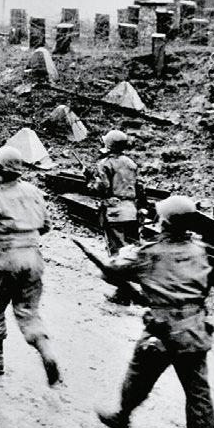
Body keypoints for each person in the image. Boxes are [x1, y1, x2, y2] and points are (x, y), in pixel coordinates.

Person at [95, 195, 214, 428]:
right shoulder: (199, 250)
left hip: (163, 331)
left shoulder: (150, 253)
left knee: (138, 375)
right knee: (198, 389)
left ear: (165, 222)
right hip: (195, 329)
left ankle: (122, 417)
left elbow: (111, 271)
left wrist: (127, 253)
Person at [0, 146, 61, 386]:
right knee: (29, 312)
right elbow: (46, 225)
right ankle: (46, 351)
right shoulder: (34, 191)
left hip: (5, 259)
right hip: (33, 258)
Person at [85, 129, 141, 304]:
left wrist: (89, 179)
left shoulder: (105, 163)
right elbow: (139, 187)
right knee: (131, 252)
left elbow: (101, 188)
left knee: (117, 254)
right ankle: (131, 290)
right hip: (131, 211)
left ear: (108, 145)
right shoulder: (131, 163)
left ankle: (123, 294)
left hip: (114, 212)